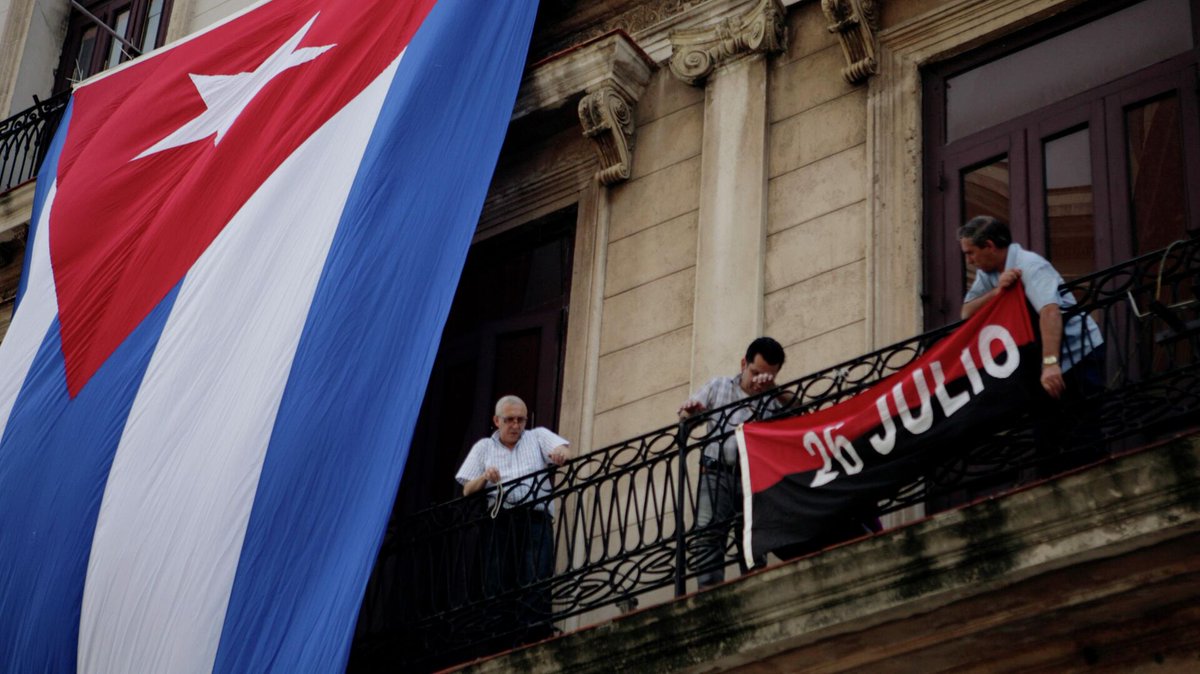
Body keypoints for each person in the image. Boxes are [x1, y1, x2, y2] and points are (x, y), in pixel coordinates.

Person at [958, 216, 1106, 465]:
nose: (969, 260)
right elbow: (966, 312)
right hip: (1043, 365)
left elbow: (1049, 312)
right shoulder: (989, 273)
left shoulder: (1030, 265)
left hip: (1079, 355)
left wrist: (1050, 364)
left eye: (970, 253)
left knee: (1083, 433)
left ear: (990, 246)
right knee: (1049, 440)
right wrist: (997, 292)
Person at [678, 337, 790, 588]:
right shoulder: (719, 386)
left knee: (753, 540)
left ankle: (755, 589)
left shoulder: (772, 399)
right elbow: (685, 417)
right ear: (743, 364)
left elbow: (799, 408)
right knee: (707, 536)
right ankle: (709, 592)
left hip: (754, 479)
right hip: (715, 472)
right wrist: (690, 413)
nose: (758, 380)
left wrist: (773, 388)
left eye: (767, 376)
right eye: (755, 373)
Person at [456, 395, 570, 641]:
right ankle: (499, 638)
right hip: (500, 521)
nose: (516, 425)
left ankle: (535, 633)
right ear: (496, 420)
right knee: (497, 579)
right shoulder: (484, 447)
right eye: (509, 420)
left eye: (521, 420)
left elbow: (562, 450)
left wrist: (562, 452)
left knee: (537, 575)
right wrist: (485, 477)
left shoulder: (537, 436)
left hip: (535, 518)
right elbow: (467, 490)